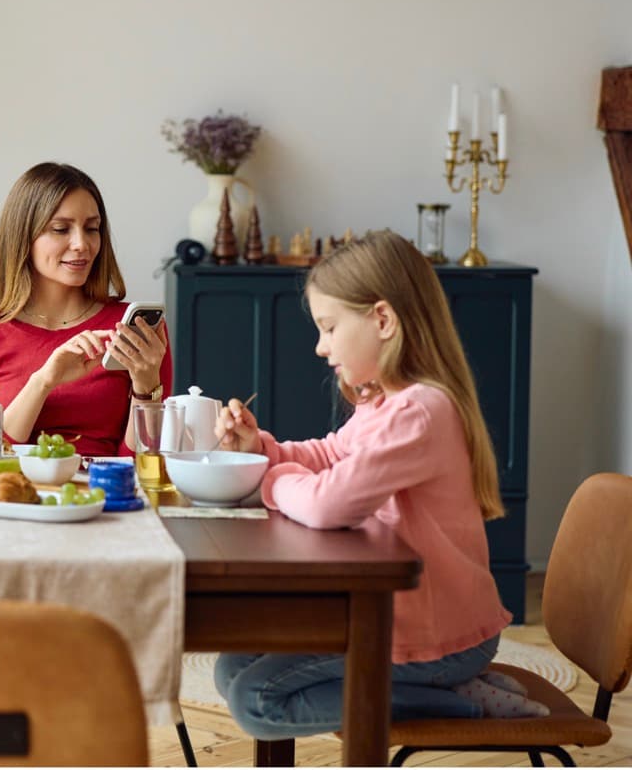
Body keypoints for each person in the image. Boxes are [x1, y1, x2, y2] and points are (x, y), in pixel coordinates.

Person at [210, 230, 546, 739]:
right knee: (233, 667)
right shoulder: (384, 402)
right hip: (390, 617)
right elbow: (330, 455)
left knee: (256, 699)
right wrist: (262, 447)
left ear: (383, 320)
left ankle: (456, 701)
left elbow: (329, 504)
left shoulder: (420, 411)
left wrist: (272, 479)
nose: (321, 347)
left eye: (328, 327)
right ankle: (441, 692)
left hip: (437, 637)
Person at [0, 162, 172, 457]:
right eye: (60, 229)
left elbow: (139, 467)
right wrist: (43, 381)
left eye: (92, 229)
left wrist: (146, 388)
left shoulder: (129, 330)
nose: (82, 244)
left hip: (102, 496)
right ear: (23, 238)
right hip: (15, 497)